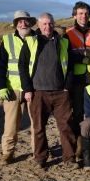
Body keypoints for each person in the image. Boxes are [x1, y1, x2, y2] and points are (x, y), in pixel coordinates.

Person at [18, 12, 78, 170]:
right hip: (38, 93)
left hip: (60, 93)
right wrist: (28, 89)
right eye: (44, 24)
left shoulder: (63, 42)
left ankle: (69, 158)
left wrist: (67, 87)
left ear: (54, 24)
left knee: (66, 127)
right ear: (38, 25)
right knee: (38, 127)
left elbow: (70, 66)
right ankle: (40, 158)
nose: (47, 26)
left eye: (50, 23)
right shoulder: (30, 42)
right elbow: (22, 67)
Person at [64, 1, 90, 160]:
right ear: (75, 15)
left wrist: (82, 53)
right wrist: (87, 57)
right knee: (78, 114)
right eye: (80, 13)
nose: (83, 16)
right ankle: (78, 147)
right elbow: (68, 54)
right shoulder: (68, 33)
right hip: (76, 79)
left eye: (86, 13)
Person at [0, 10, 36, 165]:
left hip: (34, 88)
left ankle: (37, 151)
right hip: (13, 89)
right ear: (16, 24)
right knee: (11, 125)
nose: (23, 24)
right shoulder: (7, 40)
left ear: (31, 23)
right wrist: (1, 86)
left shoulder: (38, 39)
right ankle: (8, 153)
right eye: (20, 21)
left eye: (26, 21)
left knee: (37, 124)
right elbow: (0, 66)